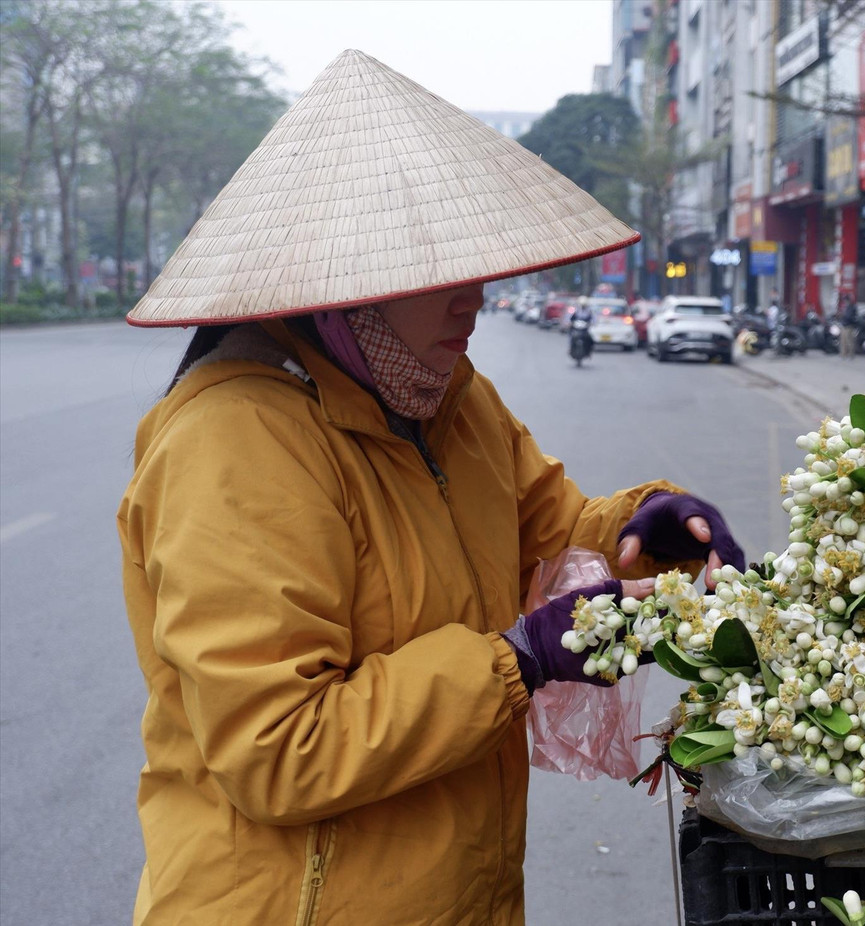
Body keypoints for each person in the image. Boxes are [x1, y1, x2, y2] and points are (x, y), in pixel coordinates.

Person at [116, 50, 745, 926]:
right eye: (440, 273)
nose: (474, 300)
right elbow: (277, 750)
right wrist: (517, 658)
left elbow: (555, 535)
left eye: (474, 267)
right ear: (347, 285)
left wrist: (645, 528)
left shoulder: (448, 397)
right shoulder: (235, 442)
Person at [838, 293, 858, 358]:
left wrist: (843, 315)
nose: (844, 301)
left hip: (849, 326)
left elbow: (849, 316)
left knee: (849, 341)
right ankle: (843, 354)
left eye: (845, 300)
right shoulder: (845, 307)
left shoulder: (852, 307)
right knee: (843, 341)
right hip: (843, 325)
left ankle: (851, 354)